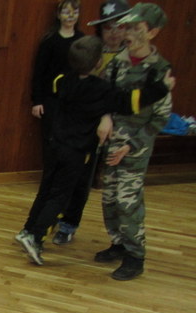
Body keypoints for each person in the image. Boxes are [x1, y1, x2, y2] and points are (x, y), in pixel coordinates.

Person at [15, 35, 174, 265]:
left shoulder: (62, 80)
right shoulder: (100, 90)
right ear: (99, 62)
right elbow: (130, 101)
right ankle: (35, 237)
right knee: (60, 198)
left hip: (55, 145)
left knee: (47, 189)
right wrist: (162, 87)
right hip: (76, 152)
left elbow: (62, 87)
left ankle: (28, 228)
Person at [94, 2, 172, 280]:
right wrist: (105, 117)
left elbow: (160, 118)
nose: (126, 33)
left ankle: (135, 256)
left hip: (135, 149)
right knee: (109, 198)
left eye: (135, 27)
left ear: (152, 32)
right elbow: (105, 97)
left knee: (128, 202)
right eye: (125, 26)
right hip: (111, 142)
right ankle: (118, 243)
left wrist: (132, 145)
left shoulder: (159, 70)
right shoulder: (117, 62)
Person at [53, 0, 132, 245]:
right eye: (108, 27)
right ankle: (66, 223)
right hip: (85, 129)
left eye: (120, 27)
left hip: (121, 129)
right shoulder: (90, 51)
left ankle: (122, 240)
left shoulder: (132, 58)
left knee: (117, 186)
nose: (114, 33)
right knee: (77, 179)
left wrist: (109, 116)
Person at [30, 0, 85, 145]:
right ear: (59, 15)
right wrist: (37, 101)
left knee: (70, 140)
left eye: (75, 12)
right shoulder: (50, 41)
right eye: (66, 12)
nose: (71, 16)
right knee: (51, 139)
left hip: (74, 100)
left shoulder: (82, 40)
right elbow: (39, 72)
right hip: (52, 100)